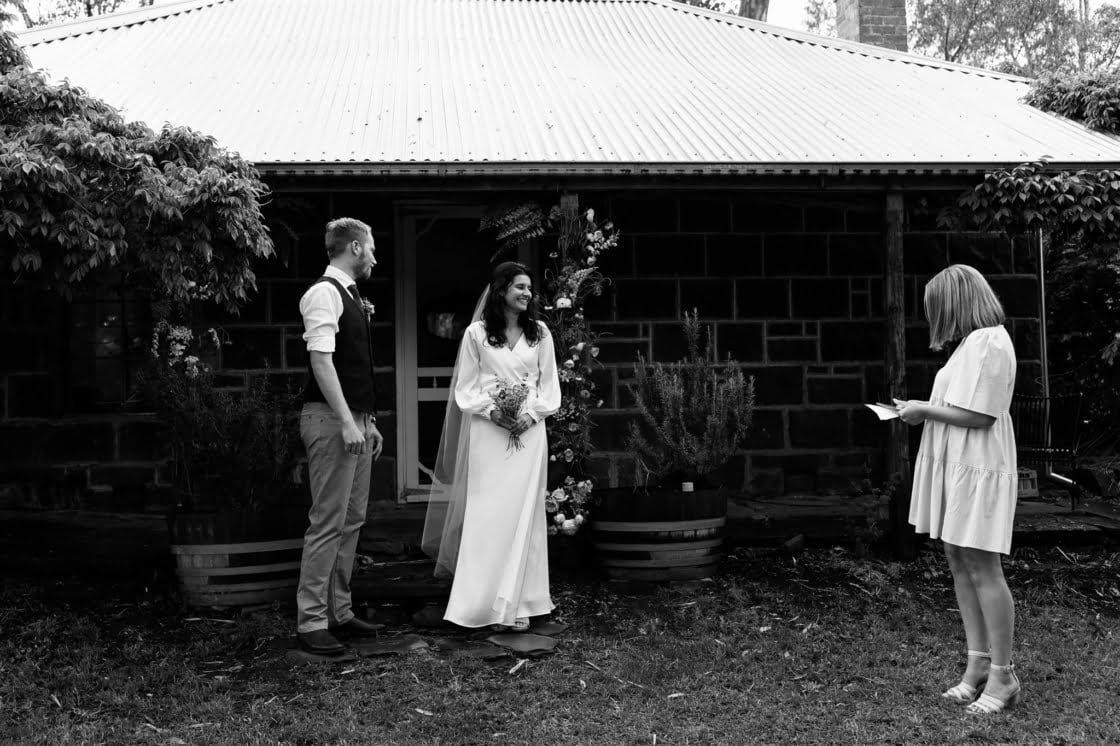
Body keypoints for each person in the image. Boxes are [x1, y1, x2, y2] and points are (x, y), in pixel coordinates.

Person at [895, 264, 1021, 714]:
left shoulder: (991, 341)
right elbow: (960, 404)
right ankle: (978, 664)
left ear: (956, 303)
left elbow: (982, 416)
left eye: (936, 309)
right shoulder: (972, 344)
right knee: (958, 556)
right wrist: (921, 408)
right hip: (960, 463)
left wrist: (923, 410)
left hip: (979, 465)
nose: (934, 318)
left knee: (982, 563)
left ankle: (1003, 675)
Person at [421, 261, 561, 631]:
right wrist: (494, 411)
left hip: (529, 434)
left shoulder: (540, 333)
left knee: (524, 516)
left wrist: (531, 415)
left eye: (529, 287)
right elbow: (466, 388)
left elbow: (550, 386)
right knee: (488, 515)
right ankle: (482, 603)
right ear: (501, 291)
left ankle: (522, 602)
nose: (527, 293)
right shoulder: (476, 334)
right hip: (488, 432)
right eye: (520, 286)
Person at [295, 217, 385, 655]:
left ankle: (339, 611)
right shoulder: (323, 293)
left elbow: (352, 365)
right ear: (354, 247)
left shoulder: (350, 296)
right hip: (332, 421)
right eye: (371, 249)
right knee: (328, 522)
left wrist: (368, 421)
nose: (374, 258)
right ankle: (311, 621)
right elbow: (322, 362)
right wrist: (348, 422)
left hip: (356, 421)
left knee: (351, 520)